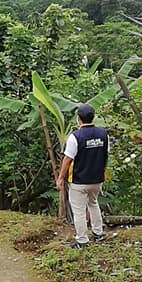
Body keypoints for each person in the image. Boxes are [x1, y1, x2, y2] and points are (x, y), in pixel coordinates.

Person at [56, 104, 108, 249]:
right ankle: (98, 233)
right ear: (93, 117)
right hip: (97, 179)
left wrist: (60, 178)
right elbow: (105, 155)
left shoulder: (75, 137)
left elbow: (67, 159)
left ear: (78, 119)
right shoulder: (103, 134)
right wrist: (104, 172)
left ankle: (82, 240)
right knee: (93, 203)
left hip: (79, 181)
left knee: (78, 210)